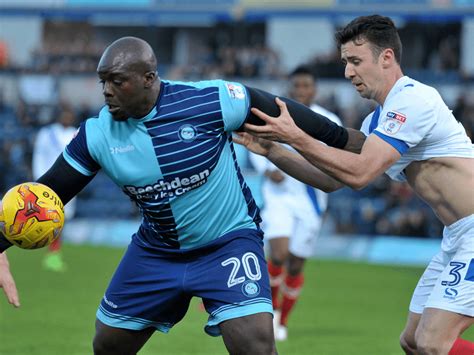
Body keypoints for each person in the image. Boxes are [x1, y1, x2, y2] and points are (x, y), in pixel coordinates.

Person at [0, 36, 362, 355]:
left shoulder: (213, 101)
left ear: (148, 79)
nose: (106, 90)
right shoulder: (97, 135)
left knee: (255, 344)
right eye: (103, 81)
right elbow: (47, 194)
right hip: (157, 251)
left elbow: (294, 116)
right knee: (107, 344)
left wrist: (361, 143)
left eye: (117, 81)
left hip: (227, 243)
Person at [236, 15, 474, 355]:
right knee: (412, 341)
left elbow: (360, 173)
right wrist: (272, 149)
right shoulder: (377, 121)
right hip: (457, 236)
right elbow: (331, 180)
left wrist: (295, 135)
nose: (348, 72)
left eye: (355, 61)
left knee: (433, 343)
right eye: (346, 62)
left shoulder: (413, 100)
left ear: (387, 57)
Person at [250, 65, 342, 341]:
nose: (301, 91)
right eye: (297, 86)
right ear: (290, 88)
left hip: (312, 202)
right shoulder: (275, 115)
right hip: (279, 197)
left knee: (296, 264)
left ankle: (283, 321)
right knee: (278, 254)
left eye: (306, 86)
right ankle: (272, 312)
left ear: (314, 89)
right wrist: (267, 169)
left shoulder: (328, 120)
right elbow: (256, 143)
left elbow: (336, 159)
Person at [32, 104, 78, 272]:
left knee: (61, 220)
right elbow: (39, 156)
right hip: (48, 183)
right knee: (47, 217)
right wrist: (39, 180)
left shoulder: (76, 133)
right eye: (65, 115)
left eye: (70, 115)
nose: (68, 118)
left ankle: (54, 254)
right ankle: (49, 252)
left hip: (70, 183)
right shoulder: (47, 133)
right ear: (60, 116)